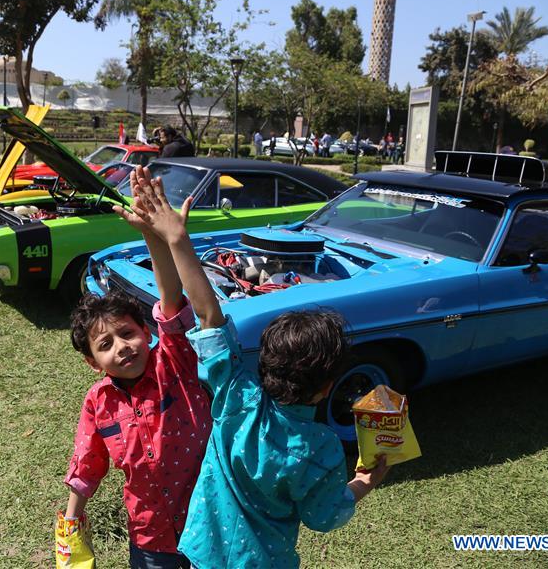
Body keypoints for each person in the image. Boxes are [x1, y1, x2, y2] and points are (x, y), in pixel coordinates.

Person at [121, 166, 390, 568]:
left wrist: (176, 239)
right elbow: (325, 515)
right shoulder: (321, 449)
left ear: (265, 362)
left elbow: (208, 316)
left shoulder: (236, 397)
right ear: (325, 386)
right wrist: (364, 483)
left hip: (202, 555)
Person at [61, 168, 213, 568]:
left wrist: (152, 232)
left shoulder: (174, 363)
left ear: (146, 331)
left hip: (210, 526)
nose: (122, 348)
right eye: (106, 345)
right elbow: (87, 464)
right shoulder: (98, 402)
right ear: (93, 362)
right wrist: (71, 520)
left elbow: (170, 294)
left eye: (127, 333)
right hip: (150, 538)